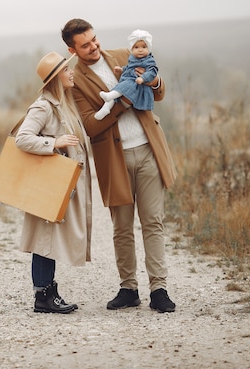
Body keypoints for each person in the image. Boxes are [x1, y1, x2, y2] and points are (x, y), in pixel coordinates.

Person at [61, 19, 177, 313]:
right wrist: (124, 101)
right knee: (122, 227)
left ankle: (159, 289)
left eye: (94, 39)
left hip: (148, 150)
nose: (94, 47)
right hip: (114, 159)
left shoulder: (126, 55)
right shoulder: (76, 80)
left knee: (153, 222)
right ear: (72, 49)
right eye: (85, 45)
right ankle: (128, 289)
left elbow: (159, 93)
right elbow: (90, 125)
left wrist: (153, 82)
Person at [15, 51, 92, 314]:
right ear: (56, 77)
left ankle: (48, 293)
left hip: (60, 184)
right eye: (66, 70)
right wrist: (54, 143)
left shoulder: (63, 103)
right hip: (48, 183)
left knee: (49, 236)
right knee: (44, 238)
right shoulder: (44, 106)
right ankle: (44, 297)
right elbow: (22, 138)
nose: (71, 73)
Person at [94, 29, 158, 120]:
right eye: (136, 47)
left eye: (144, 47)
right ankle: (106, 108)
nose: (140, 50)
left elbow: (152, 71)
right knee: (118, 88)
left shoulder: (149, 60)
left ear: (149, 48)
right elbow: (129, 67)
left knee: (122, 87)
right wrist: (121, 69)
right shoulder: (132, 57)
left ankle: (109, 96)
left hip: (137, 83)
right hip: (128, 80)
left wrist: (143, 78)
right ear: (132, 49)